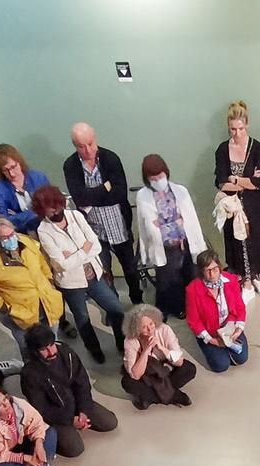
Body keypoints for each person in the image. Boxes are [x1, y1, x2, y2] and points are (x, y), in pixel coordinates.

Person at [33, 187, 126, 365]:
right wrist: (84, 249)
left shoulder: (75, 215)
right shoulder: (43, 230)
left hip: (94, 275)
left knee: (116, 309)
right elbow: (62, 265)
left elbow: (96, 246)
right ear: (42, 210)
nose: (56, 211)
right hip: (71, 283)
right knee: (82, 318)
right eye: (51, 209)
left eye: (58, 206)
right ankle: (94, 349)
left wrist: (75, 254)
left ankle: (122, 343)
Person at [64, 123, 141, 304]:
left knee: (130, 269)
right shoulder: (70, 165)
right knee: (104, 271)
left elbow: (120, 193)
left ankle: (137, 301)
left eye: (90, 144)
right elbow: (80, 198)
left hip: (119, 226)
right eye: (82, 146)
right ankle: (113, 304)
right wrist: (105, 187)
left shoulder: (110, 158)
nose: (88, 150)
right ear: (75, 146)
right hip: (94, 230)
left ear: (95, 139)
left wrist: (92, 196)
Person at [21, 323, 117, 455]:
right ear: (34, 351)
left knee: (110, 423)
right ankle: (54, 436)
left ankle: (78, 420)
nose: (51, 352)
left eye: (52, 345)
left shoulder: (67, 353)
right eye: (44, 349)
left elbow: (82, 382)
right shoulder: (30, 373)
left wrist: (84, 410)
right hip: (57, 414)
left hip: (77, 403)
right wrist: (70, 420)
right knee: (75, 449)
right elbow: (41, 408)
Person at [214, 102, 260, 294]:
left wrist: (235, 179)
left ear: (247, 125)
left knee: (257, 240)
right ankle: (245, 281)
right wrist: (245, 180)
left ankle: (255, 277)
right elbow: (221, 182)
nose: (237, 133)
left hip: (257, 205)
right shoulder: (222, 149)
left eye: (240, 128)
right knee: (237, 242)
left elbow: (259, 182)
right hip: (233, 206)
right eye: (233, 129)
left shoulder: (258, 148)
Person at [132, 155, 206, 319]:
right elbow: (147, 225)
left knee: (188, 276)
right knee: (166, 281)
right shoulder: (143, 196)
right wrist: (174, 222)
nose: (158, 180)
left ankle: (184, 307)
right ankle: (166, 310)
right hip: (164, 247)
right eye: (153, 178)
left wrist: (165, 223)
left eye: (160, 176)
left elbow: (190, 220)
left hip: (184, 243)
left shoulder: (180, 190)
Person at [0, 216, 64, 350]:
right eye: (4, 238)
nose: (11, 239)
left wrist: (50, 282)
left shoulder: (26, 242)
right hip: (22, 316)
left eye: (12, 234)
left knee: (53, 344)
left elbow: (42, 263)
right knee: (29, 350)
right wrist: (5, 308)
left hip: (48, 305)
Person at [185, 249, 251, 371]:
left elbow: (240, 307)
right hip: (210, 331)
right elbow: (193, 320)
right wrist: (211, 340)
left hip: (229, 328)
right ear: (201, 272)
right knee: (221, 365)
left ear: (219, 267)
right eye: (207, 270)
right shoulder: (193, 290)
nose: (212, 274)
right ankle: (205, 344)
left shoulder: (231, 281)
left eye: (215, 269)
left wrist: (238, 329)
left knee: (241, 358)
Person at [121, 304, 197, 409]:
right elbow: (136, 375)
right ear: (136, 329)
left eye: (151, 324)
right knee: (128, 383)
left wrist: (162, 348)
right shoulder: (130, 341)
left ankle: (150, 397)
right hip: (145, 374)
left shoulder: (164, 329)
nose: (149, 329)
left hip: (163, 369)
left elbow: (179, 361)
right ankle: (173, 395)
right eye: (143, 327)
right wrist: (146, 350)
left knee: (189, 369)